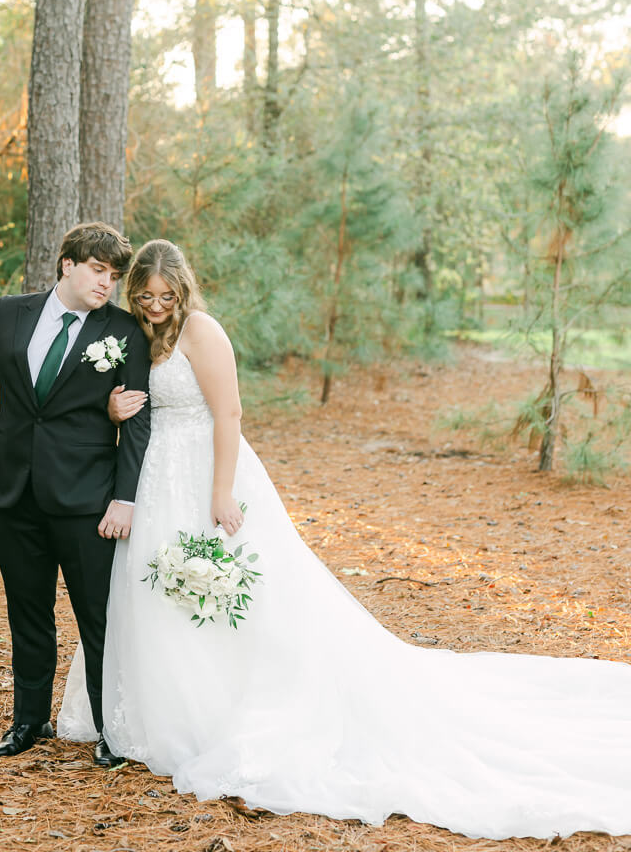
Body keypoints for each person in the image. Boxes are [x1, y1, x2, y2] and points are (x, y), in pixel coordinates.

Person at [58, 238, 631, 839]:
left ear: (182, 288)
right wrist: (115, 411)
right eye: (145, 296)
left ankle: (226, 704)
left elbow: (227, 414)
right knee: (154, 589)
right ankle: (162, 709)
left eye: (164, 295)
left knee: (234, 597)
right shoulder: (136, 335)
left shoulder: (202, 330)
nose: (154, 305)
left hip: (205, 469)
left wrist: (222, 492)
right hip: (154, 479)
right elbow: (139, 404)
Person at [0, 221, 150, 768]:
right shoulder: (8, 312)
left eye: (113, 276)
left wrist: (125, 496)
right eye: (97, 270)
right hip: (12, 494)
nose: (106, 283)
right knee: (28, 611)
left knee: (97, 617)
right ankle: (28, 721)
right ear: (67, 263)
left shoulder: (124, 331)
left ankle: (111, 729)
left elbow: (137, 423)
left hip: (88, 497)